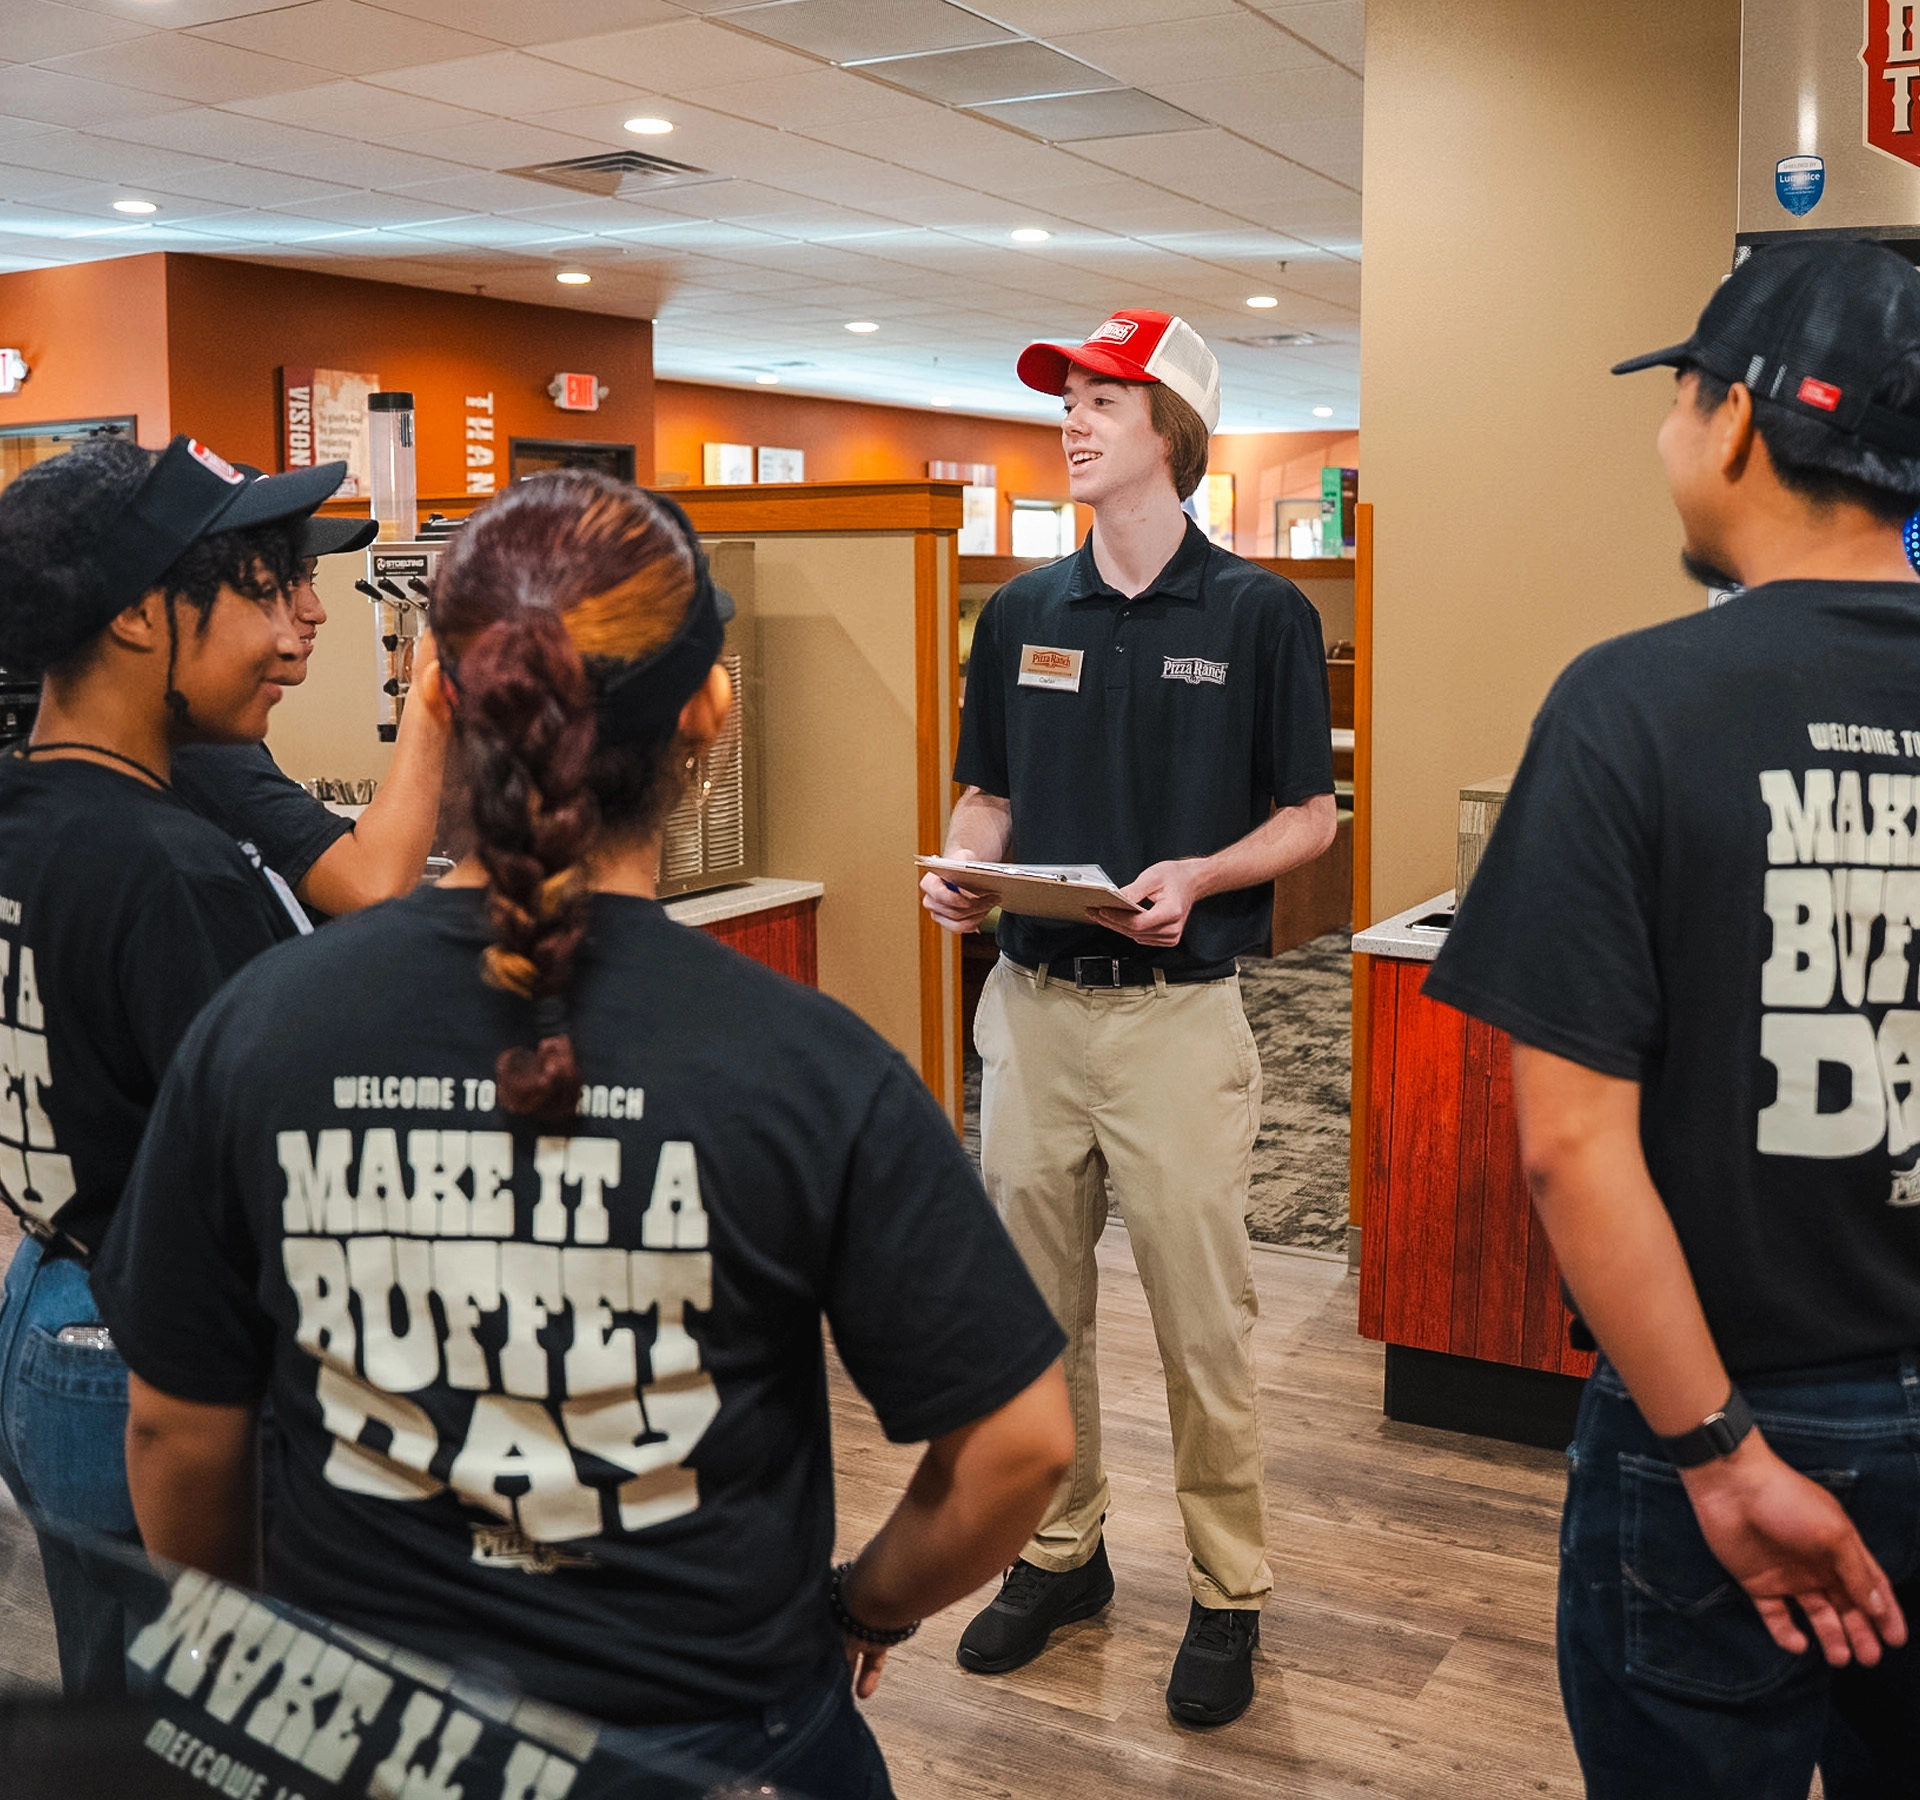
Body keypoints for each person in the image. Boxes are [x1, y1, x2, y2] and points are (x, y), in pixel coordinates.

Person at [94, 473, 1074, 1799]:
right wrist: (863, 1609)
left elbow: (174, 1435)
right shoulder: (809, 1067)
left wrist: (293, 1653)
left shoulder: (261, 1027)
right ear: (709, 714)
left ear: (439, 698)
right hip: (715, 1742)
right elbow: (1019, 1448)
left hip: (366, 1735)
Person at [1423, 239, 1920, 1797]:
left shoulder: (1629, 703)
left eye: (1683, 395)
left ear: (1742, 422)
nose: (1666, 438)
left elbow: (1574, 1149)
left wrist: (1721, 1461)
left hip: (1732, 1420)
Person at [921, 310, 1338, 1727]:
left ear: (1175, 432)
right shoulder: (1021, 616)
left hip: (1176, 1024)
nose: (1073, 421)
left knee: (1201, 1328)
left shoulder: (1264, 617)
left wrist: (1205, 874)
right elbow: (988, 791)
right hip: (1031, 1012)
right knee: (1032, 1321)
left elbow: (1308, 815)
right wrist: (962, 866)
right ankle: (1061, 1552)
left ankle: (1228, 1592)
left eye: (1105, 399)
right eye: (1069, 400)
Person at [0, 434, 346, 1695]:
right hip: (154, 1363)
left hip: (52, 1302)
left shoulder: (33, 809)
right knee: (211, 1718)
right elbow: (268, 1185)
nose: (297, 623)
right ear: (144, 617)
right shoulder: (168, 871)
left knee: (126, 1705)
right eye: (259, 591)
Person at [171, 505, 451, 916]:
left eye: (310, 578)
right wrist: (432, 686)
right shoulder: (200, 746)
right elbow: (372, 886)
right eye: (284, 583)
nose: (315, 610)